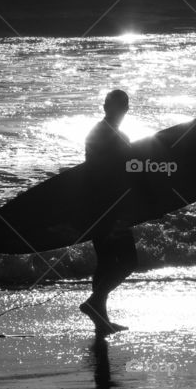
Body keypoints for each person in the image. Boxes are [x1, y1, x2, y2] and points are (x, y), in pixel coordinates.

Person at [80, 89, 137, 336]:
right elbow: (109, 174)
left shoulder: (104, 132)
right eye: (120, 106)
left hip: (98, 206)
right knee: (128, 261)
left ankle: (100, 320)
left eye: (123, 106)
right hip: (108, 208)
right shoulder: (107, 134)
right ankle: (95, 303)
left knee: (105, 263)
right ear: (108, 108)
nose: (122, 111)